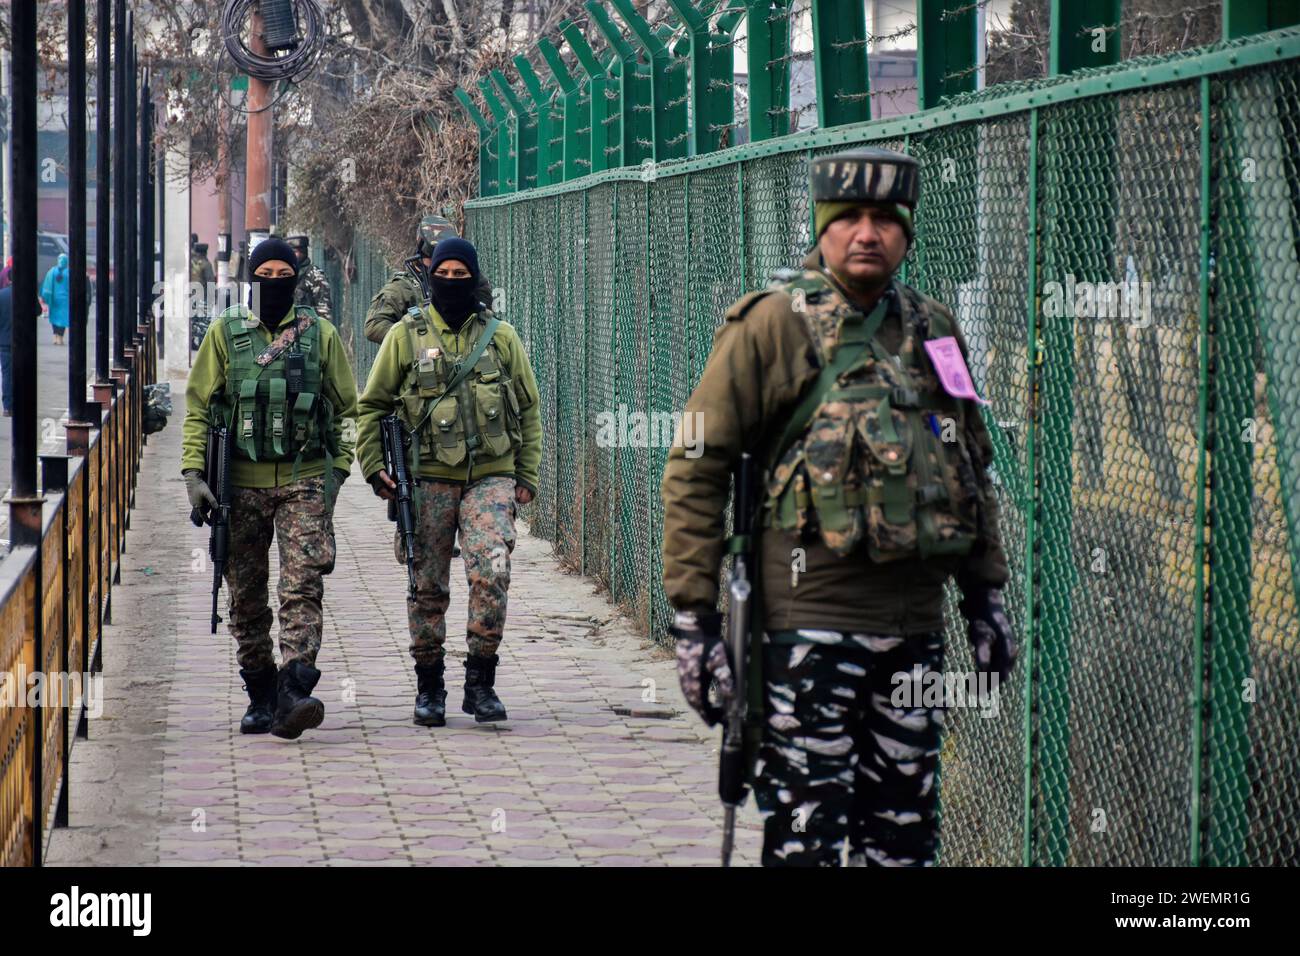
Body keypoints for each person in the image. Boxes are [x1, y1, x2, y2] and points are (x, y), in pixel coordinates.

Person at [661, 148, 1017, 867]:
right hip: (805, 633)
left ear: (906, 234)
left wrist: (986, 598)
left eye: (885, 219)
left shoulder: (936, 328)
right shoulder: (769, 326)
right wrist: (694, 620)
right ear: (821, 230)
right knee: (807, 839)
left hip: (915, 635)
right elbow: (696, 467)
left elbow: (969, 465)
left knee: (904, 841)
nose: (866, 233)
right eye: (848, 217)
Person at [356, 236, 541, 726]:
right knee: (426, 584)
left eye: (462, 276)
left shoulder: (502, 337)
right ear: (430, 276)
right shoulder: (405, 335)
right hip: (426, 480)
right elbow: (373, 405)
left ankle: (481, 683)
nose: (452, 283)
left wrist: (528, 475)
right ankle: (429, 686)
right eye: (445, 274)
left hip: (491, 478)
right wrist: (375, 467)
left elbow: (529, 407)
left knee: (492, 572)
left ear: (474, 279)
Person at [182, 237, 358, 739]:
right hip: (239, 484)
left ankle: (295, 688)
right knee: (247, 594)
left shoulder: (319, 335)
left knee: (303, 584)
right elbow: (197, 406)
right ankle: (260, 691)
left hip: (304, 481)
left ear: (297, 278)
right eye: (267, 274)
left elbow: (347, 410)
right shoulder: (225, 333)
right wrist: (194, 475)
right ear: (252, 280)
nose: (275, 282)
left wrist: (337, 474)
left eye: (285, 274)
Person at [363, 215, 493, 344]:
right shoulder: (404, 288)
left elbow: (485, 317)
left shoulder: (471, 281)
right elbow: (374, 325)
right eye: (436, 261)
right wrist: (413, 340)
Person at [286, 235, 333, 324]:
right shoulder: (281, 275)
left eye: (301, 251)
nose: (298, 254)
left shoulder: (315, 275)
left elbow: (324, 309)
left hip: (308, 329)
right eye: (294, 251)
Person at [41, 252, 72, 345]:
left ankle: (55, 336)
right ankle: (60, 337)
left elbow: (46, 286)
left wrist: (45, 298)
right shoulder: (69, 272)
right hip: (65, 300)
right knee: (63, 319)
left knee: (54, 318)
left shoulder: (52, 271)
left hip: (54, 300)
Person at [0, 283, 13, 416]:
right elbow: (37, 311)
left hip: (4, 342)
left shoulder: (2, 295)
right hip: (23, 343)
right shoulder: (26, 293)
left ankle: (8, 407)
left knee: (7, 375)